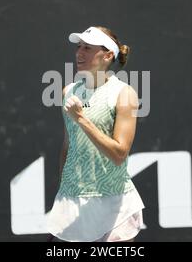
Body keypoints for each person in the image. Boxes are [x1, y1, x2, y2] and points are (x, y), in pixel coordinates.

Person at [46, 26, 145, 242]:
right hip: (72, 203)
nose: (79, 53)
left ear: (108, 55)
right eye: (79, 47)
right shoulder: (68, 92)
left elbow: (119, 153)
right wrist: (64, 192)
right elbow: (67, 146)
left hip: (113, 204)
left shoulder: (124, 94)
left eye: (88, 48)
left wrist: (81, 119)